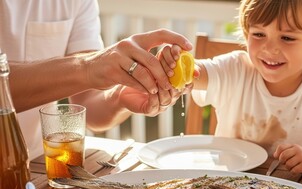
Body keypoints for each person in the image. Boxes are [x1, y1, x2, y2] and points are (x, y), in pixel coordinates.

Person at [158, 0, 302, 175]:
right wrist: (174, 64)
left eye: (287, 38)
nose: (269, 48)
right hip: (224, 188)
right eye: (258, 34)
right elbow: (194, 73)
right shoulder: (234, 69)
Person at [0, 0, 192, 160]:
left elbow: (89, 105)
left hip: (37, 164)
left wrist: (119, 97)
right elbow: (88, 70)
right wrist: (88, 67)